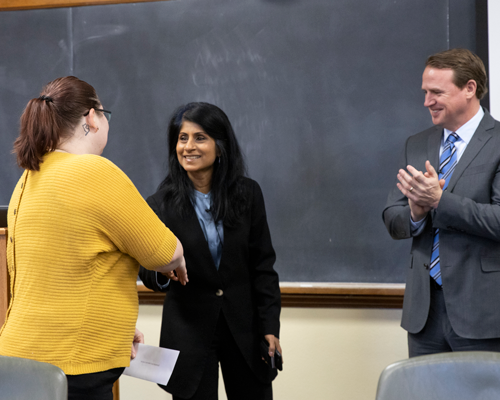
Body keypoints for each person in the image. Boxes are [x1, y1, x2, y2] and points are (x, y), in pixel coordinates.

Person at [0, 76, 187, 400]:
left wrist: (113, 327)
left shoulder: (28, 179)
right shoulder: (95, 172)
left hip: (19, 357)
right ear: (91, 118)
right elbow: (164, 252)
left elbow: (57, 274)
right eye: (105, 115)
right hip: (71, 366)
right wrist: (180, 259)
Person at [139, 102, 282, 400]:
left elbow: (263, 267)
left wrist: (270, 326)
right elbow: (147, 272)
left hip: (244, 330)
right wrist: (163, 270)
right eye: (182, 138)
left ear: (221, 145)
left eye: (200, 137)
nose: (188, 146)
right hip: (189, 334)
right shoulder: (159, 204)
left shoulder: (248, 194)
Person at [383, 48, 500, 357]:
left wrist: (438, 201)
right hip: (424, 315)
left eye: (436, 92)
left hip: (483, 314)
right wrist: (416, 212)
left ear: (470, 89)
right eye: (425, 92)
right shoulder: (417, 144)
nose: (426, 101)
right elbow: (392, 217)